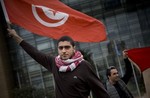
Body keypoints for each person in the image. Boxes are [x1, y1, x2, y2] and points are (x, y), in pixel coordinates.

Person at [7, 29, 110, 98]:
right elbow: (35, 53)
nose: (64, 50)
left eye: (67, 47)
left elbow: (99, 91)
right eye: (61, 48)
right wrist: (16, 37)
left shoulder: (84, 65)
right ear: (58, 49)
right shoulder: (54, 63)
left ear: (74, 49)